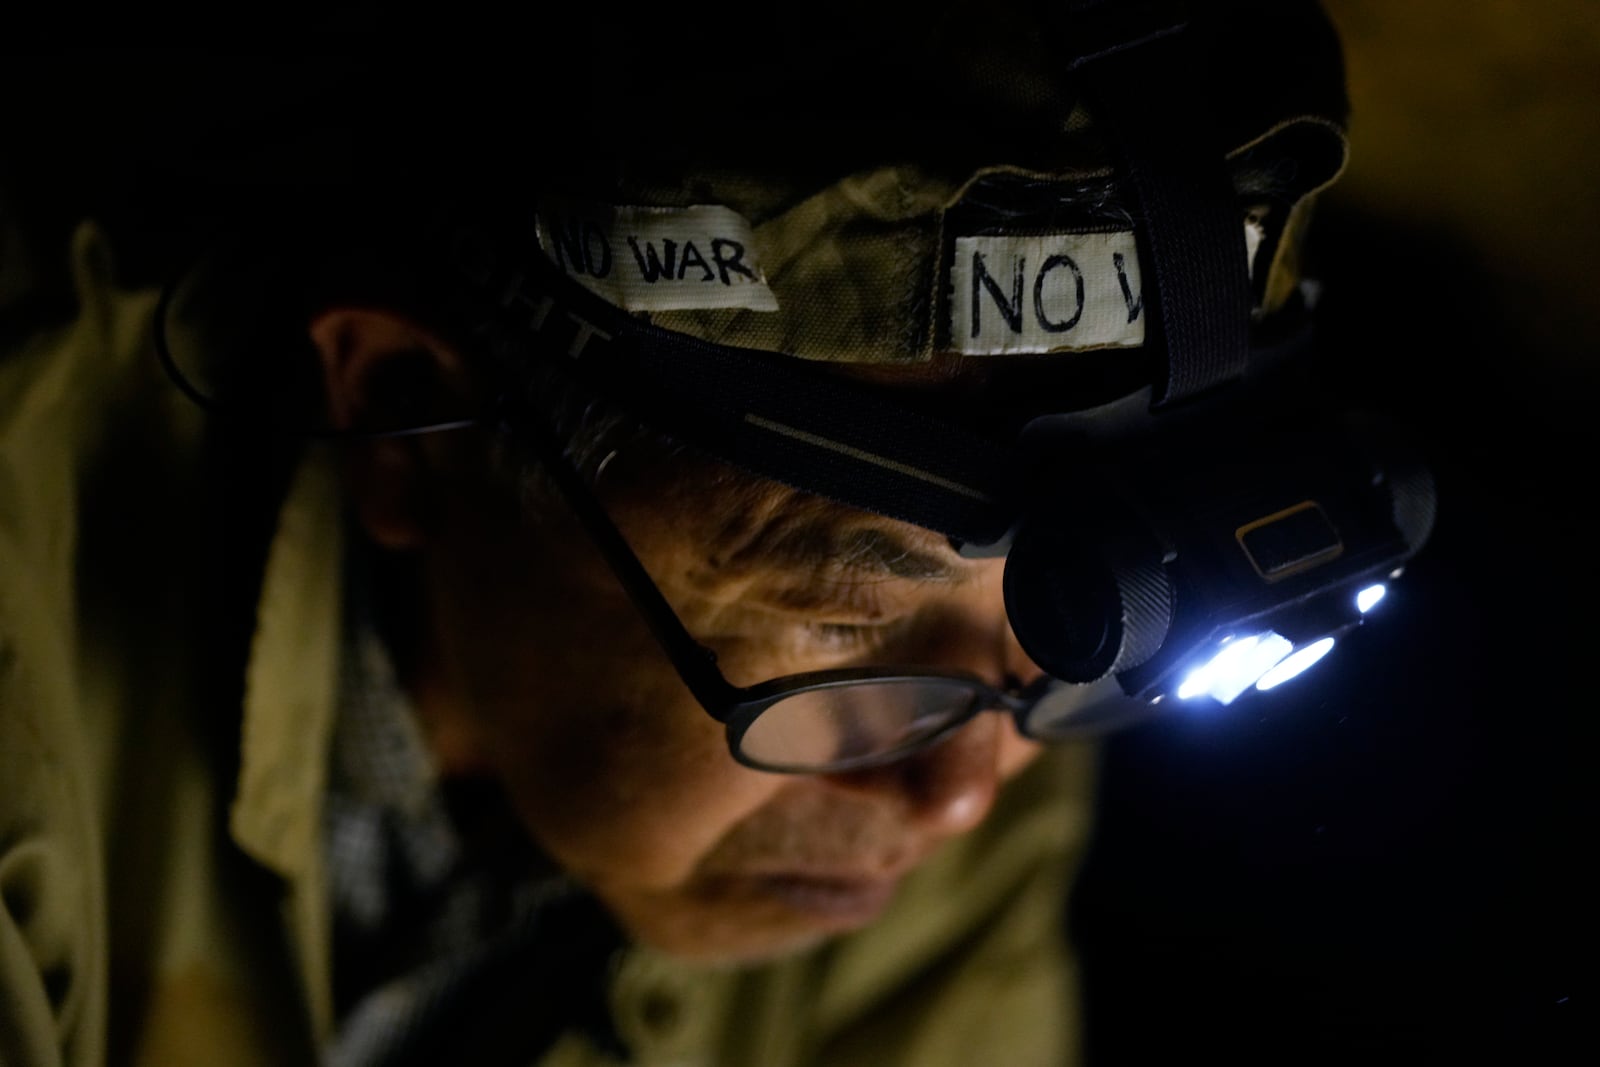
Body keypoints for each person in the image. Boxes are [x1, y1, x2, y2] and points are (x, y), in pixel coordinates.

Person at [1, 2, 1413, 1064]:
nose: (964, 802)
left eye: (1068, 631)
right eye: (845, 626)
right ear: (411, 419)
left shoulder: (975, 725)